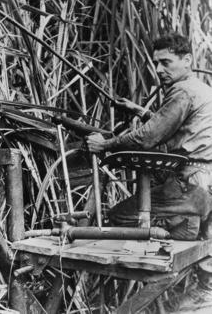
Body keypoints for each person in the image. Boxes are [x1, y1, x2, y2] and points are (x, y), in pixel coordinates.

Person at [86, 33, 212, 310]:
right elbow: (175, 124)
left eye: (166, 62)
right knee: (197, 245)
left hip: (190, 184)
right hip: (205, 183)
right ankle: (198, 290)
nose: (158, 70)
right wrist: (138, 110)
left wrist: (104, 144)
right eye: (156, 63)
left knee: (118, 216)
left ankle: (150, 256)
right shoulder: (201, 89)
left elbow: (148, 137)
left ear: (187, 60)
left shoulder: (183, 91)